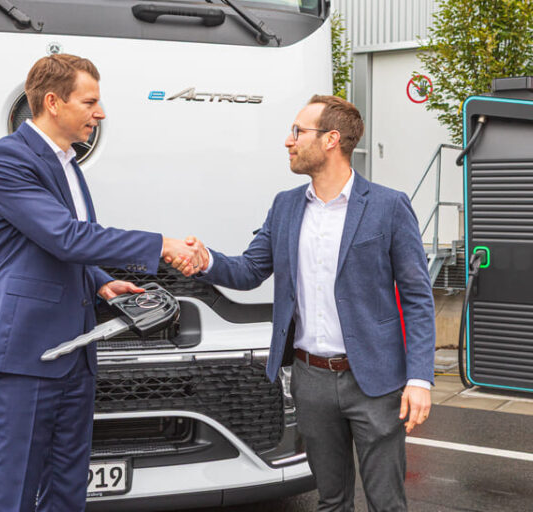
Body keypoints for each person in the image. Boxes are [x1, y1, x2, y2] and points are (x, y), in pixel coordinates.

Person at [0, 54, 206, 511]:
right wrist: (161, 244)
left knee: (68, 488)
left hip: (74, 355)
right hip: (24, 355)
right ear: (53, 102)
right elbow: (63, 236)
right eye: (91, 101)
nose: (100, 114)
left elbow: (59, 244)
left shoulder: (70, 165)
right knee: (15, 492)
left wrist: (102, 282)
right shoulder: (5, 158)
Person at [183, 95, 435, 511]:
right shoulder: (285, 206)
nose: (289, 140)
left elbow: (417, 298)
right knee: (331, 501)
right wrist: (204, 259)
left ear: (332, 139)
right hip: (310, 379)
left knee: (386, 503)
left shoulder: (388, 206)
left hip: (373, 379)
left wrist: (420, 379)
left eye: (298, 131)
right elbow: (249, 271)